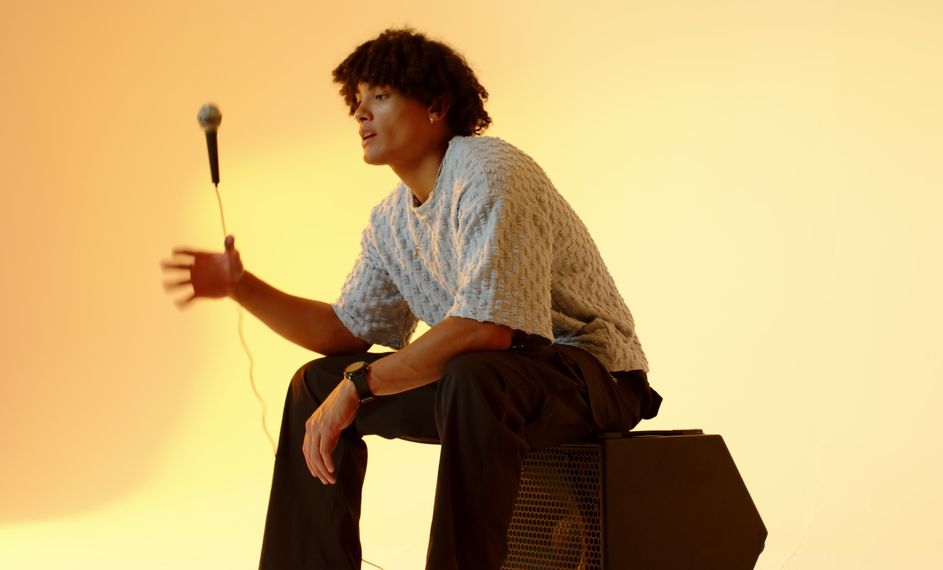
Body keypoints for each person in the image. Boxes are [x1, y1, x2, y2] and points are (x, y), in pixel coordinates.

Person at [162, 28, 661, 570]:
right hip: (491, 383)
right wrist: (242, 286)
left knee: (470, 374)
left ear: (436, 107)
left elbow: (487, 329)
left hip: (595, 377)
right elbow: (343, 331)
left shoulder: (489, 171)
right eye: (357, 100)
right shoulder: (390, 221)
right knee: (317, 384)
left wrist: (360, 385)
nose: (360, 113)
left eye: (379, 96)